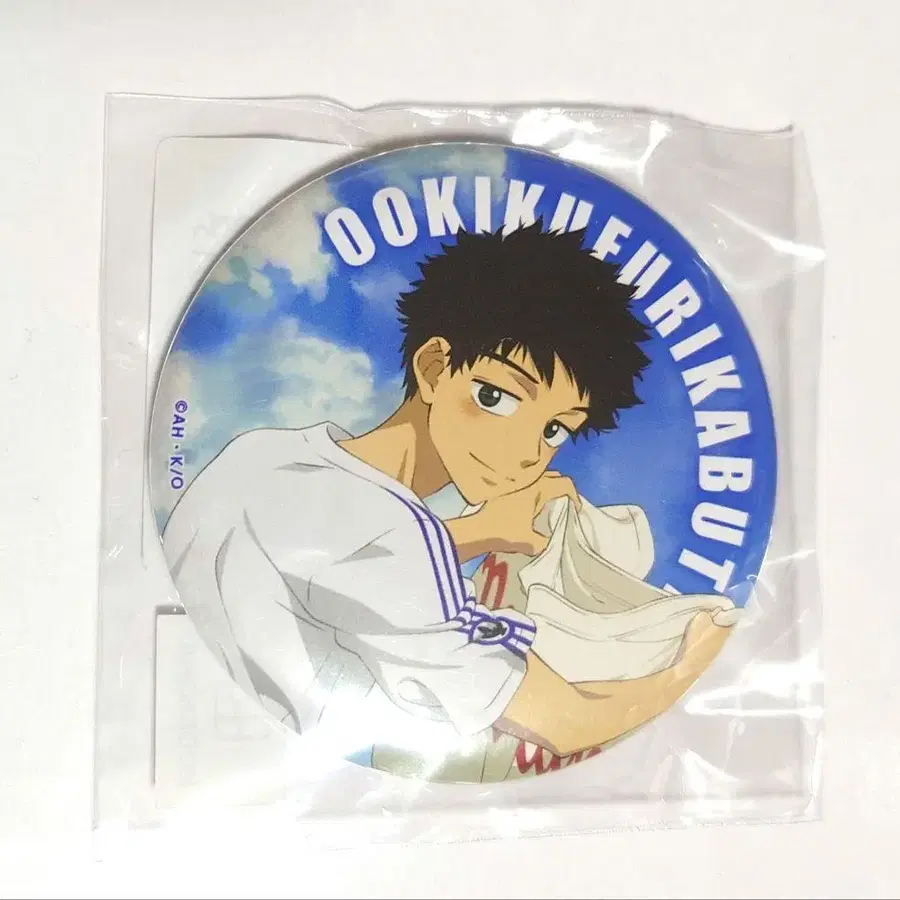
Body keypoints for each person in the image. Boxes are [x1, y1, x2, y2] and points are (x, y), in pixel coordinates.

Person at [162, 222, 732, 763]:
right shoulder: (386, 528)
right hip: (271, 778)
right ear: (434, 368)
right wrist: (690, 664)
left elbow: (336, 564)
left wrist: (475, 533)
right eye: (496, 398)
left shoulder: (268, 454)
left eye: (555, 429)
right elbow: (563, 722)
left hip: (196, 731)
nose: (527, 452)